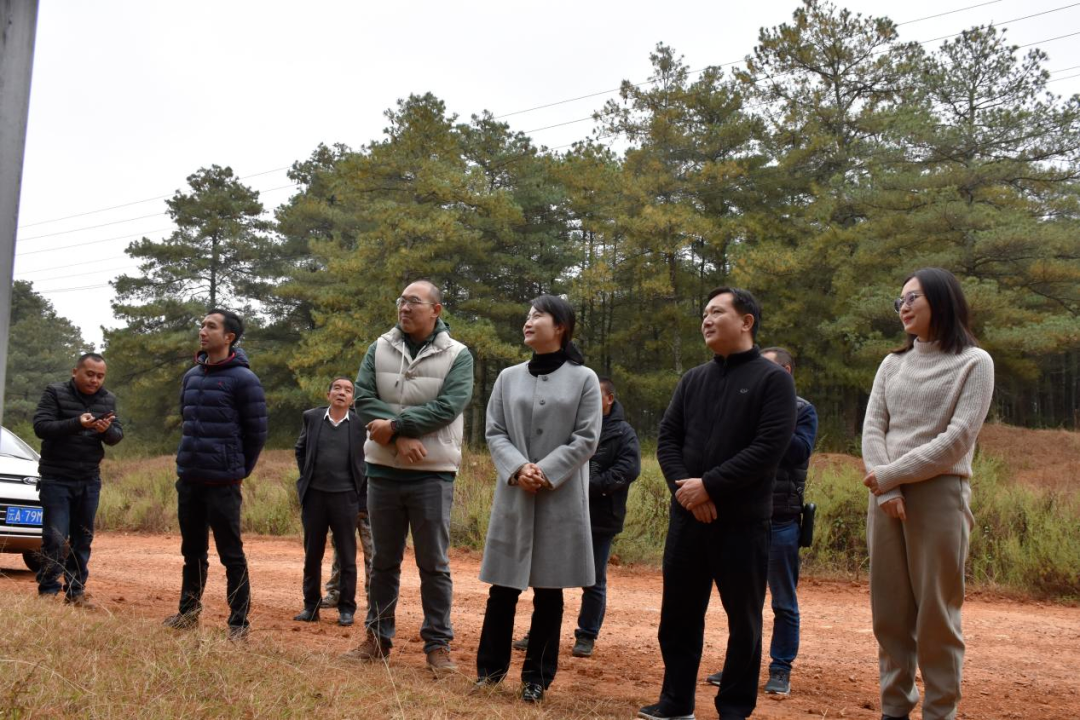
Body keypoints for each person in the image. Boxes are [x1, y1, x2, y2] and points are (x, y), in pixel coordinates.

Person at [640, 287, 796, 720]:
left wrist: (709, 486)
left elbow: (768, 449)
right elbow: (667, 440)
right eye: (704, 312)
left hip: (742, 524)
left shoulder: (773, 381)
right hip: (688, 520)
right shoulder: (693, 379)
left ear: (746, 322)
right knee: (678, 618)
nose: (706, 319)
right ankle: (675, 703)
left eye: (717, 312)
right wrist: (688, 492)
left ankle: (733, 709)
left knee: (743, 623)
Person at [862, 268, 994, 720]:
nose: (903, 306)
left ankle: (940, 712)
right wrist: (888, 488)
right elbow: (873, 428)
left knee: (936, 614)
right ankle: (893, 708)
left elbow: (958, 439)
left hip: (940, 493)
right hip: (886, 496)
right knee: (889, 612)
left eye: (912, 297)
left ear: (941, 299)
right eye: (898, 299)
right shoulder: (891, 364)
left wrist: (892, 475)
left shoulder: (975, 362)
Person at [476, 294, 602, 703]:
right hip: (515, 493)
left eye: (538, 316)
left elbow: (587, 438)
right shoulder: (507, 377)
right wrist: (517, 468)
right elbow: (494, 431)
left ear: (561, 327)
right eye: (527, 315)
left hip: (558, 498)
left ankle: (537, 679)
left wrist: (545, 471)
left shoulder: (584, 378)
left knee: (550, 592)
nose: (528, 321)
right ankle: (490, 672)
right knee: (503, 588)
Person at [343, 280, 474, 675]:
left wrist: (395, 427)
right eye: (401, 300)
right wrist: (399, 439)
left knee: (433, 563)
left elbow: (448, 406)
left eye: (414, 301)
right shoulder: (379, 347)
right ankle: (377, 639)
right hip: (383, 471)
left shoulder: (458, 354)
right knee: (383, 560)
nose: (404, 307)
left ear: (435, 310)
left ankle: (438, 644)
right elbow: (363, 398)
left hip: (432, 474)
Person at [706, 346, 818, 696]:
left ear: (784, 372)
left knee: (783, 602)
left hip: (782, 520)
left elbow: (800, 451)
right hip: (744, 516)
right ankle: (739, 668)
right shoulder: (746, 406)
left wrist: (768, 427)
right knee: (742, 602)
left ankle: (780, 669)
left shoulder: (803, 410)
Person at [164, 309, 267, 641]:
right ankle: (188, 612)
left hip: (223, 482)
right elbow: (186, 418)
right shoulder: (191, 376)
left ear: (229, 338)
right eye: (202, 324)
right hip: (190, 478)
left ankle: (238, 623)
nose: (202, 331)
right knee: (192, 551)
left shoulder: (244, 380)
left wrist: (237, 471)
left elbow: (257, 434)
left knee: (231, 554)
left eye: (211, 326)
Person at [32, 352, 124, 607]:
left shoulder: (108, 399)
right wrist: (76, 423)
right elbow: (41, 426)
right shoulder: (55, 392)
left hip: (88, 479)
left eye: (100, 376)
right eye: (90, 374)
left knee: (83, 538)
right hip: (56, 477)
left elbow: (117, 435)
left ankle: (76, 592)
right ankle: (48, 592)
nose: (95, 380)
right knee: (56, 538)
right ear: (76, 372)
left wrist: (107, 431)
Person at [293, 376, 367, 627]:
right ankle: (310, 607)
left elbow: (366, 461)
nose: (341, 393)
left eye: (347, 390)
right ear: (328, 395)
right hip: (314, 496)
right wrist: (307, 476)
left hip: (346, 498)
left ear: (352, 399)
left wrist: (361, 499)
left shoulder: (359, 423)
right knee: (312, 554)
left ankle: (346, 608)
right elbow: (300, 449)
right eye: (337, 388)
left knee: (347, 555)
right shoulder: (312, 418)